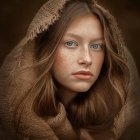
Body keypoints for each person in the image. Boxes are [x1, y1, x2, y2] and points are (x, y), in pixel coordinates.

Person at [0, 0, 140, 139]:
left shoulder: (119, 117)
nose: (87, 59)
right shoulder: (11, 122)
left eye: (96, 46)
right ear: (45, 50)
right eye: (71, 43)